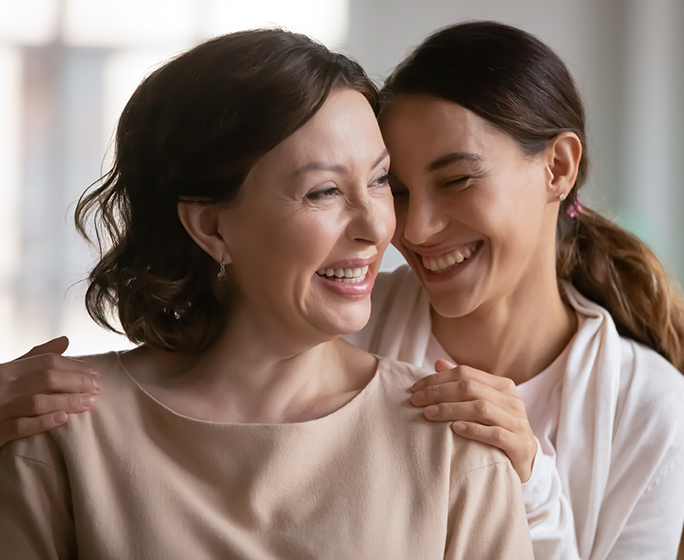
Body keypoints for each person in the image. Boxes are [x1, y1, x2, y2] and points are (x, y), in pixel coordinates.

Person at [0, 20, 684, 560]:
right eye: (384, 183)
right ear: (210, 228)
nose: (401, 226)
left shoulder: (554, 425)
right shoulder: (69, 434)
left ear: (558, 169)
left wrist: (530, 478)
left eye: (454, 179)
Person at [0, 28, 534, 559]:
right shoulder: (59, 433)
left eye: (379, 180)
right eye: (323, 192)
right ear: (211, 227)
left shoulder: (455, 442)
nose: (378, 227)